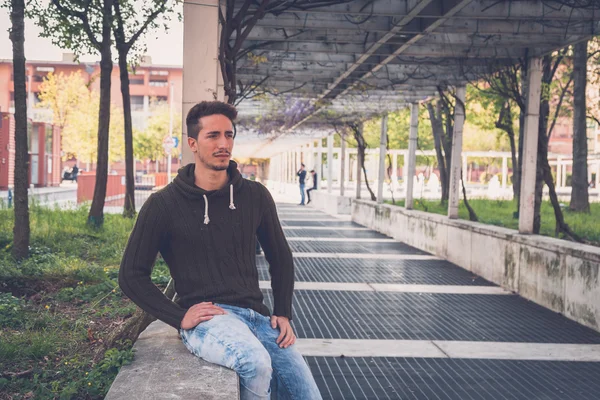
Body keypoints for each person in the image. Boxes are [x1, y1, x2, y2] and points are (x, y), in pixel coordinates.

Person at [119, 101, 322, 400]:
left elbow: (280, 257)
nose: (224, 143)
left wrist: (283, 312)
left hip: (257, 317)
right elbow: (131, 275)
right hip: (209, 319)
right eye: (213, 136)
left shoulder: (255, 196)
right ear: (193, 144)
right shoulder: (163, 204)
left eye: (229, 135)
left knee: (305, 393)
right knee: (253, 362)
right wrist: (178, 317)